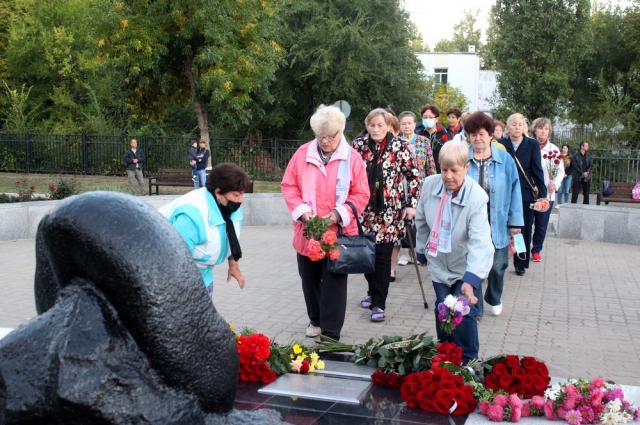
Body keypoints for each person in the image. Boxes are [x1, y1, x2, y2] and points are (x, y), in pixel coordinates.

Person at [281, 105, 369, 341]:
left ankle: (331, 332)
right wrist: (303, 213)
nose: (326, 141)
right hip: (307, 231)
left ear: (341, 132)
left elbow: (361, 194)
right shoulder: (302, 154)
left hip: (337, 233)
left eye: (331, 136)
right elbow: (288, 186)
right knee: (309, 279)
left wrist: (337, 214)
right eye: (321, 136)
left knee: (334, 282)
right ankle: (315, 319)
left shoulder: (353, 158)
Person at [415, 141, 494, 362]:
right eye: (444, 170)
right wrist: (421, 250)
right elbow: (421, 220)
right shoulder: (430, 185)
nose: (448, 176)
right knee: (443, 310)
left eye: (454, 170)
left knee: (462, 312)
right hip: (438, 261)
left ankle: (469, 361)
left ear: (466, 167)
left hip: (465, 263)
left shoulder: (477, 197)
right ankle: (446, 357)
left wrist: (471, 280)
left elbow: (481, 242)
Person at [353, 108, 421, 322]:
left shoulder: (399, 146)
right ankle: (372, 291)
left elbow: (414, 177)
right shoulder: (358, 146)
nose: (375, 129)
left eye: (380, 125)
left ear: (389, 125)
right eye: (372, 125)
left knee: (382, 259)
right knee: (366, 257)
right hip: (364, 212)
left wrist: (411, 204)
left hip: (390, 214)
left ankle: (379, 304)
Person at [159, 163, 250, 302]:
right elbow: (173, 261)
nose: (240, 201)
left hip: (203, 276)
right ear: (218, 192)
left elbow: (232, 238)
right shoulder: (192, 217)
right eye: (236, 195)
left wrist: (234, 265)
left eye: (242, 195)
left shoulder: (232, 209)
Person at [466, 112, 523, 318]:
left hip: (497, 220)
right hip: (472, 223)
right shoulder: (463, 157)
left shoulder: (505, 159)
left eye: (481, 134)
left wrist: (515, 223)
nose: (477, 139)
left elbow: (516, 190)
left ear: (491, 135)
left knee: (499, 266)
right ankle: (476, 309)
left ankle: (494, 296)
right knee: (474, 267)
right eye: (473, 135)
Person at [500, 113, 547, 276]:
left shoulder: (532, 145)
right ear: (508, 127)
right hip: (504, 193)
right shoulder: (500, 144)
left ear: (525, 128)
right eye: (513, 124)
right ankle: (501, 260)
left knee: (523, 229)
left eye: (520, 124)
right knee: (502, 228)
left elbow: (537, 170)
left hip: (524, 193)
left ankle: (520, 261)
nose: (517, 127)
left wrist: (543, 194)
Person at [392, 111, 437, 273]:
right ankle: (404, 253)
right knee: (404, 220)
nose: (406, 126)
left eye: (409, 123)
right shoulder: (395, 142)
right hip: (401, 187)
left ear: (414, 124)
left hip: (422, 187)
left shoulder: (423, 142)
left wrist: (433, 184)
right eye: (403, 123)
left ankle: (421, 251)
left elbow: (430, 165)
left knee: (422, 220)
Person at [530, 118, 564, 263]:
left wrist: (554, 184)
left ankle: (536, 250)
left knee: (541, 224)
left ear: (549, 132)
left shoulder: (554, 150)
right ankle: (521, 250)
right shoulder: (529, 146)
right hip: (528, 192)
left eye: (546, 129)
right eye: (540, 128)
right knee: (525, 224)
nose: (543, 131)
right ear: (535, 130)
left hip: (545, 195)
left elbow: (560, 171)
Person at [417, 104, 451, 173]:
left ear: (437, 119)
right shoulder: (418, 136)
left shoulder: (444, 136)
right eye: (425, 117)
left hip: (440, 172)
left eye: (430, 117)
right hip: (422, 173)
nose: (427, 119)